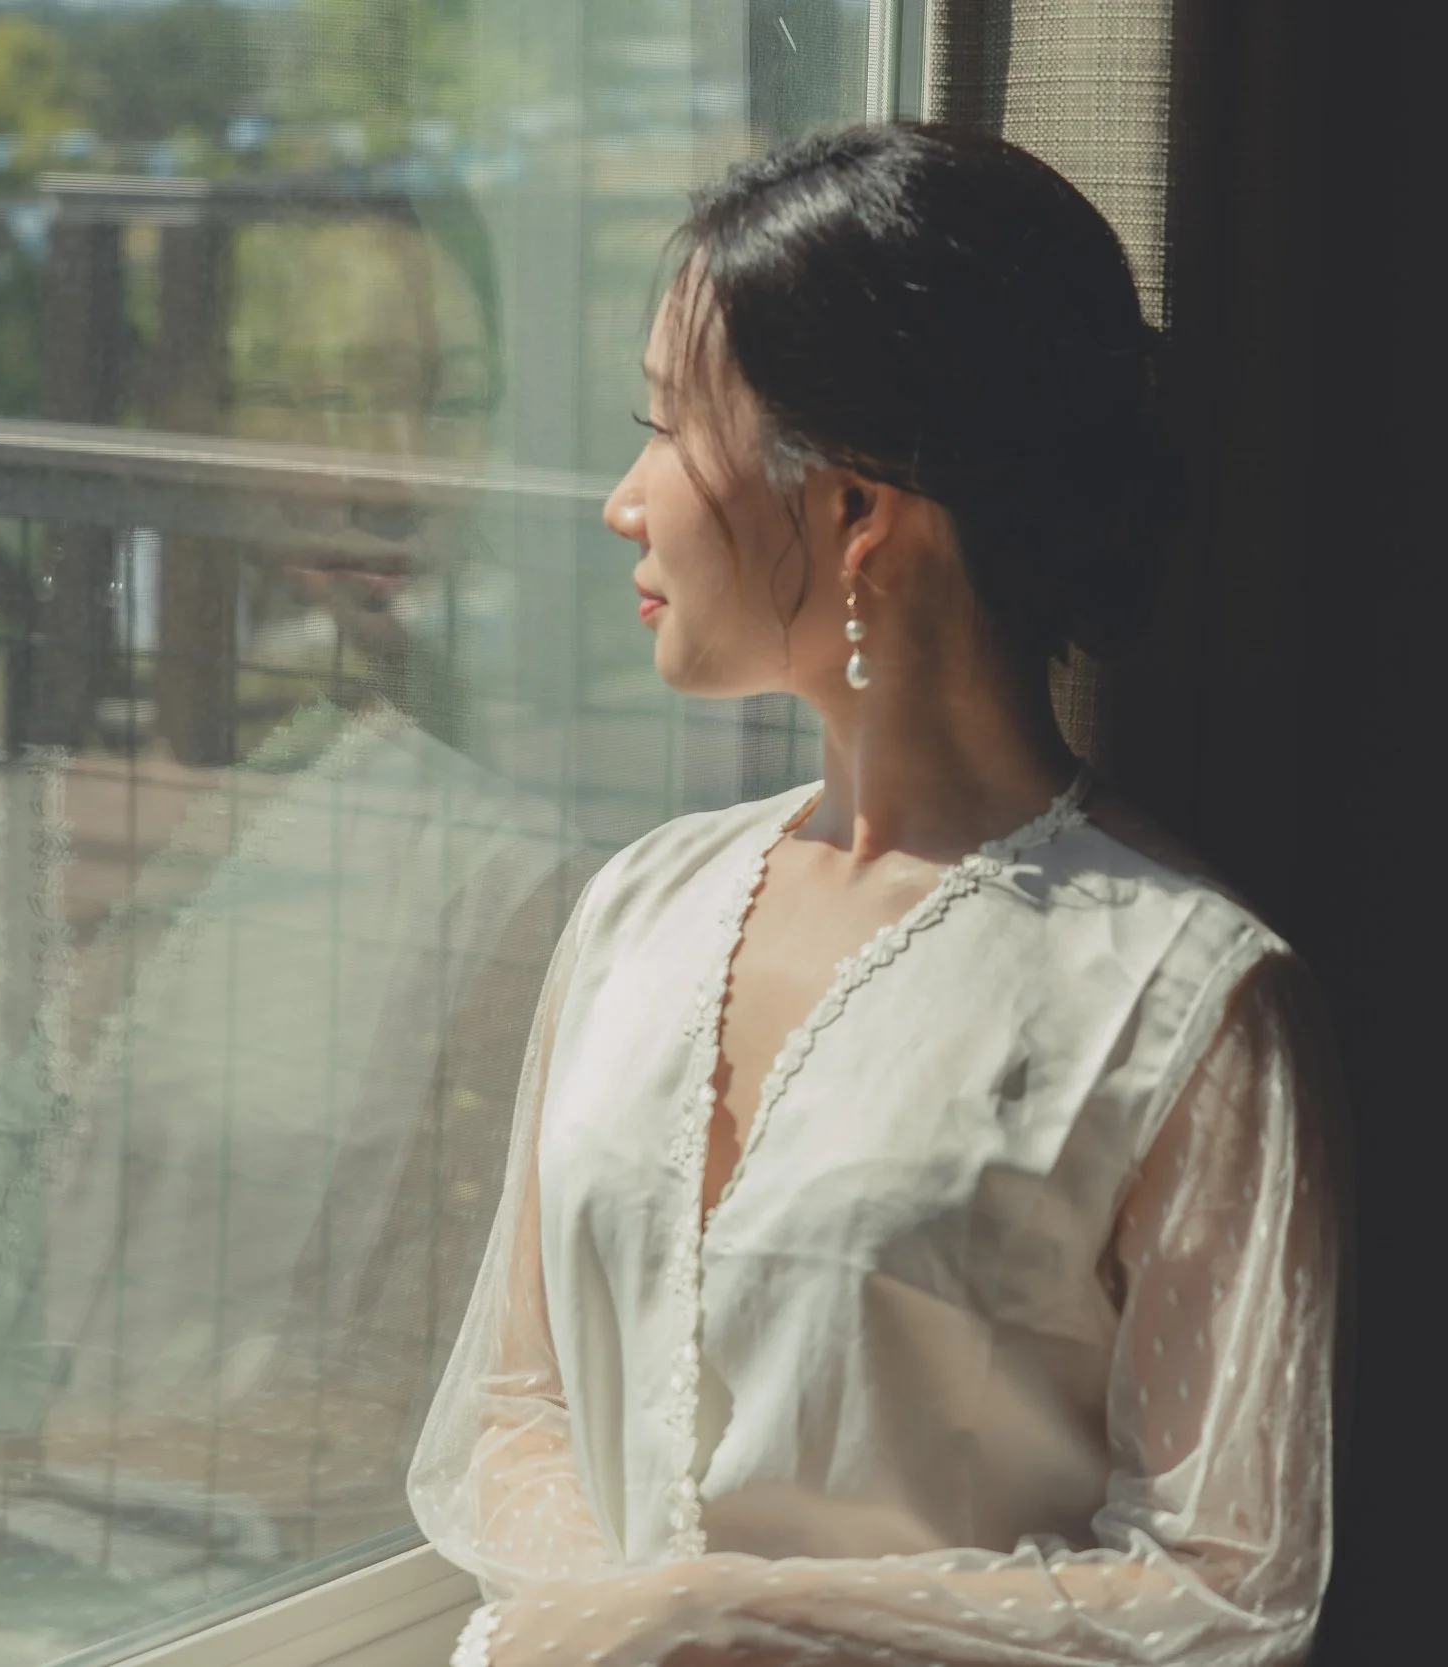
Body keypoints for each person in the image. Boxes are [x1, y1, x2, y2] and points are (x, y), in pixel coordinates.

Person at [408, 123, 1350, 1667]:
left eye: (665, 429)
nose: (622, 502)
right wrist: (607, 1629)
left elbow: (1227, 1585)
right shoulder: (638, 905)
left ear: (858, 514)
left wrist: (727, 1614)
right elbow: (515, 1405)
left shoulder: (1189, 1005)